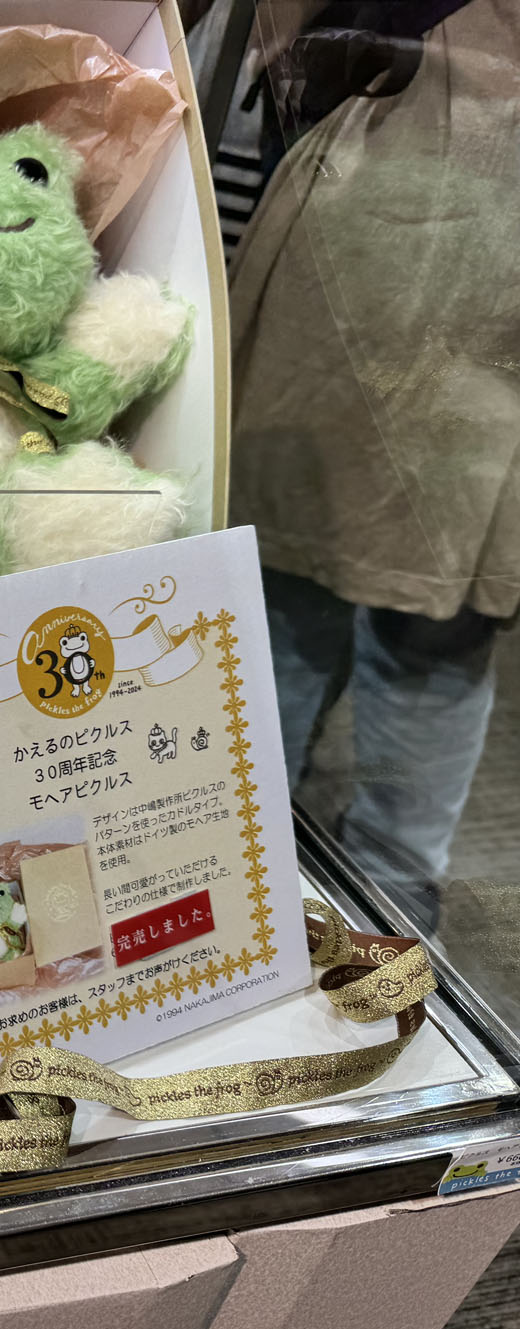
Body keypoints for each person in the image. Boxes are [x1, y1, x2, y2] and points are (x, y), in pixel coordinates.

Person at [229, 0, 520, 927]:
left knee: (301, 594)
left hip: (411, 164)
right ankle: (367, 903)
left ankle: (259, 878)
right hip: (404, 157)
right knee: (396, 616)